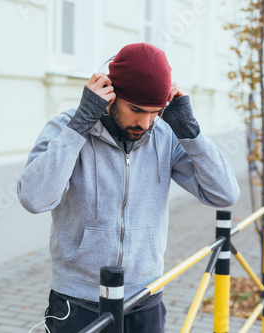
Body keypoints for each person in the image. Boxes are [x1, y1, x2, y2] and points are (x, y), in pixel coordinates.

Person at [17, 43, 240, 332]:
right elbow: (34, 198)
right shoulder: (67, 127)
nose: (145, 123)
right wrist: (80, 124)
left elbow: (225, 193)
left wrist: (189, 130)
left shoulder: (166, 135)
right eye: (136, 109)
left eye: (155, 112)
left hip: (144, 298)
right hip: (78, 301)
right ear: (111, 94)